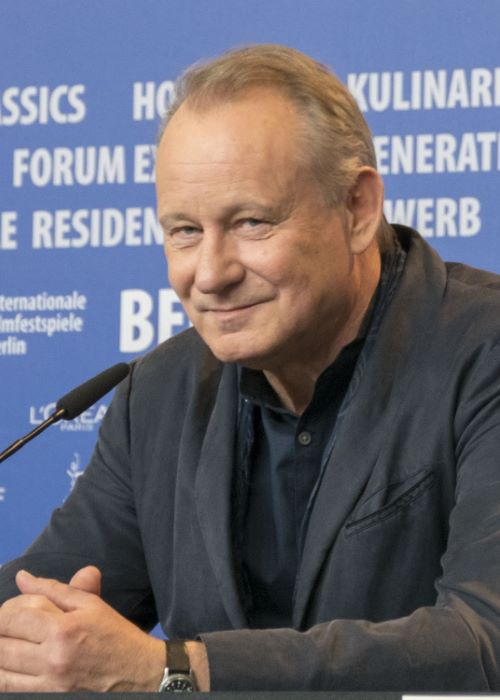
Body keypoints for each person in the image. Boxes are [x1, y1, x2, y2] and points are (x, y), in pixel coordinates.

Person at [1, 44, 500, 692]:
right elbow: (30, 611)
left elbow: (483, 643)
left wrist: (175, 671)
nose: (210, 273)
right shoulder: (159, 392)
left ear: (357, 209)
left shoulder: (483, 350)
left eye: (251, 223)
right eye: (183, 230)